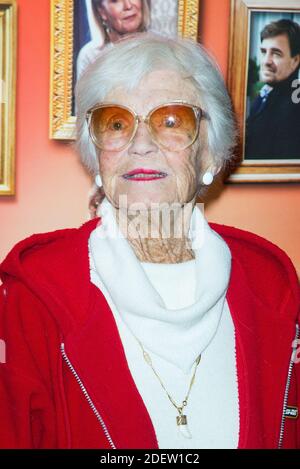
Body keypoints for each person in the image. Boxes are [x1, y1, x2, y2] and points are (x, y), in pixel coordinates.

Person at [0, 33, 299, 449]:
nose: (141, 144)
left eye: (172, 121)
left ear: (210, 155)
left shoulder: (271, 283)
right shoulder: (35, 292)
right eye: (117, 123)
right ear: (97, 151)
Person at [245, 19, 300, 159]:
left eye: (276, 53)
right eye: (264, 52)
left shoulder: (294, 106)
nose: (266, 61)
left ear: (295, 61)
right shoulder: (267, 92)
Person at [77, 0, 150, 80]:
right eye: (115, 1)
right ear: (102, 11)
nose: (128, 6)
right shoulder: (91, 55)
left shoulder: (160, 45)